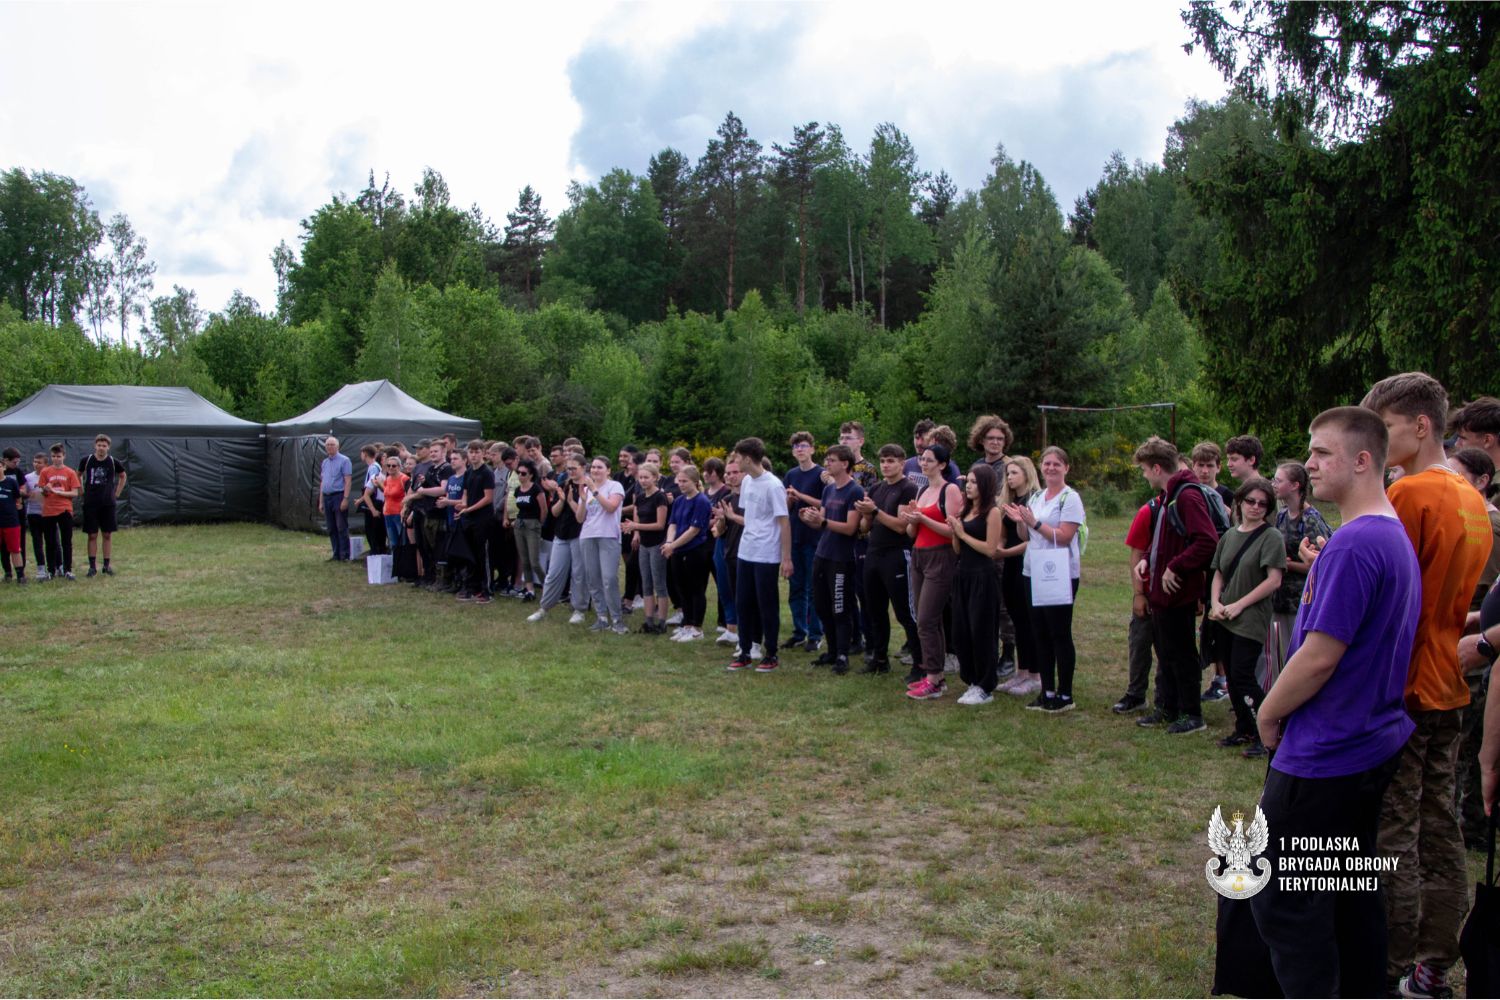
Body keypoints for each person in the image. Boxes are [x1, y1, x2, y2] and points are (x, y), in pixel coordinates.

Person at [1248, 406, 1419, 999]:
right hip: (1369, 744)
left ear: (1362, 461)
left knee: (1285, 901)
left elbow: (1321, 656)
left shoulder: (1355, 543)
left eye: (1322, 452)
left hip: (1327, 753)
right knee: (1346, 892)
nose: (1309, 463)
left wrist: (1268, 711)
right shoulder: (1388, 534)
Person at [1361, 373, 1492, 1000]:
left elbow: (1388, 592)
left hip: (1405, 682)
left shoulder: (1410, 493)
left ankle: (1387, 961)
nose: (1377, 442)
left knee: (1395, 830)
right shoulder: (1471, 497)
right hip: (1448, 680)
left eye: (1384, 428)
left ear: (1420, 425)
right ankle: (1436, 961)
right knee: (1440, 827)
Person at [1134, 437, 1219, 734]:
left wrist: (1175, 566)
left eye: (1145, 470)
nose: (1145, 475)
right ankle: (1167, 707)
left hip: (1178, 592)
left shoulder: (1187, 495)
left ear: (1157, 468)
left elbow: (1207, 540)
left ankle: (1191, 714)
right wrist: (1148, 559)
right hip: (1162, 593)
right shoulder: (1168, 495)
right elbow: (1166, 536)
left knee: (1182, 654)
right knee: (1166, 652)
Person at [1207, 477, 1286, 758]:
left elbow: (1274, 580)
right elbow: (1218, 572)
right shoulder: (1229, 535)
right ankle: (1244, 728)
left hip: (1250, 617)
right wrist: (1215, 602)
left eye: (1263, 504)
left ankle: (1268, 733)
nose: (1255, 507)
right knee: (1232, 674)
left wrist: (1239, 605)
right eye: (1250, 501)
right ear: (1239, 502)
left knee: (1243, 674)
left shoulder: (1271, 537)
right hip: (1225, 615)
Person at [1447, 446, 1500, 848]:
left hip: (1483, 650)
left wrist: (1483, 635)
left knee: (1471, 740)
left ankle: (1475, 824)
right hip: (1475, 632)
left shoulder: (1489, 524)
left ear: (1482, 481)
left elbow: (1481, 584)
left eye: (1458, 476)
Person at [1007, 446, 1086, 713]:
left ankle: (1065, 694)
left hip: (1059, 572)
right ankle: (1047, 690)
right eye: (1047, 463)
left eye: (1056, 464)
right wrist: (1021, 521)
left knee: (1058, 632)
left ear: (1066, 468)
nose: (1051, 468)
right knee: (1039, 631)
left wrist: (1035, 523)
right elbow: (1025, 536)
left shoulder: (1070, 498)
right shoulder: (1037, 496)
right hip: (1034, 570)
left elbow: (1064, 536)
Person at [726, 437, 792, 674]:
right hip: (746, 551)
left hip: (766, 554)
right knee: (743, 603)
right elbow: (750, 517)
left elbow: (784, 522)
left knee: (767, 605)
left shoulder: (773, 485)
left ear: (747, 459)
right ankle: (744, 652)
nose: (735, 462)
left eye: (737, 458)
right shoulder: (747, 482)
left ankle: (771, 654)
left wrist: (786, 558)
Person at [903, 444, 963, 701]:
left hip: (941, 556)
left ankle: (933, 677)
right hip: (919, 554)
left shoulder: (950, 490)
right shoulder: (922, 490)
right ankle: (935, 675)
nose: (923, 463)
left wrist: (923, 519)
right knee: (925, 618)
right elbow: (911, 532)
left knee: (927, 619)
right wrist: (911, 519)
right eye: (922, 459)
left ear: (942, 464)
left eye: (929, 460)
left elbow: (953, 530)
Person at [799, 445, 865, 674]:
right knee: (821, 605)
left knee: (840, 608)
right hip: (822, 554)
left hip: (841, 559)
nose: (826, 463)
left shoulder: (855, 491)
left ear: (845, 463)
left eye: (831, 460)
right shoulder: (828, 490)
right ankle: (832, 650)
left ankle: (843, 655)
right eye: (826, 459)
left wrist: (823, 522)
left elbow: (850, 528)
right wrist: (809, 518)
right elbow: (822, 523)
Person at [856, 444, 921, 677]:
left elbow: (901, 526)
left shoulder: (908, 487)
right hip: (873, 552)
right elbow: (864, 527)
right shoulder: (876, 488)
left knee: (905, 612)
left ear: (902, 463)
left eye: (891, 461)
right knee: (875, 609)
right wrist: (865, 514)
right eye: (883, 461)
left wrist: (874, 511)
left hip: (896, 554)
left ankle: (920, 664)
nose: (885, 465)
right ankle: (880, 659)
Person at [949, 463, 1005, 705]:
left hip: (983, 576)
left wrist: (963, 534)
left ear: (984, 485)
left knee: (981, 631)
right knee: (961, 631)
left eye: (973, 482)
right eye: (967, 482)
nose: (968, 486)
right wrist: (955, 532)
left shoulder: (992, 512)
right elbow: (957, 549)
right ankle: (972, 680)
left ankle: (985, 685)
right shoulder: (966, 510)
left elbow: (991, 550)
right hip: (963, 574)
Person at [969, 415, 1018, 678]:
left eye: (1000, 439)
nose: (996, 443)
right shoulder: (977, 466)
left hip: (1002, 538)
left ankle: (1008, 654)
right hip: (976, 538)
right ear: (981, 440)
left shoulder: (1009, 466)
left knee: (1003, 604)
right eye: (991, 438)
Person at [1270, 462, 1333, 662]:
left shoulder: (1310, 520)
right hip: (1280, 598)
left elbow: (1321, 565)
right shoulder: (1282, 515)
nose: (1273, 484)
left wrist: (1286, 564)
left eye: (1278, 480)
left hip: (1300, 601)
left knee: (1296, 655)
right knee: (1279, 655)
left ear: (1295, 485)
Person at [528, 457, 591, 624]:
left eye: (574, 468)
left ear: (583, 467)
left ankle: (579, 610)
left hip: (579, 535)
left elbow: (583, 516)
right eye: (568, 469)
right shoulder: (564, 485)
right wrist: (562, 500)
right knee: (553, 573)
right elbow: (554, 512)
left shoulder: (588, 487)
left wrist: (571, 501)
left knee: (578, 574)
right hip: (561, 534)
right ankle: (544, 607)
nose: (571, 472)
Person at [997, 457, 1041, 697]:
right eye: (1008, 473)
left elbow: (1033, 539)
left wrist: (1004, 552)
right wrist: (999, 547)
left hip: (1028, 563)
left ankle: (1036, 675)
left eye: (1014, 473)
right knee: (1017, 619)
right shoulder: (1009, 500)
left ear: (1026, 473)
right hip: (1010, 565)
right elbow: (1004, 533)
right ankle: (1021, 671)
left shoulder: (1034, 499)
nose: (1010, 477)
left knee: (1029, 620)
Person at [784, 431, 826, 652]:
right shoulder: (791, 474)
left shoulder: (821, 474)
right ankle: (799, 632)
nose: (799, 450)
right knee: (796, 587)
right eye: (795, 447)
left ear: (812, 449)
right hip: (795, 536)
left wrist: (800, 496)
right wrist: (791, 500)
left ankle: (816, 634)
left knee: (813, 588)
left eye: (803, 446)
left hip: (814, 538)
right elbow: (785, 508)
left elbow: (826, 503)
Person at [577, 455, 627, 634]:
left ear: (608, 470)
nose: (595, 470)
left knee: (609, 579)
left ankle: (617, 619)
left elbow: (611, 507)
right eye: (593, 467)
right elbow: (580, 518)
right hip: (588, 536)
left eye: (599, 467)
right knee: (593, 578)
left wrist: (595, 490)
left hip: (608, 536)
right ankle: (602, 617)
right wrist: (583, 499)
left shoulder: (615, 486)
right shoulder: (586, 489)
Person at [662, 465, 713, 642]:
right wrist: (669, 543)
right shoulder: (679, 500)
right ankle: (687, 624)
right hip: (677, 550)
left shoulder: (701, 501)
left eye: (685, 481)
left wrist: (673, 545)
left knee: (695, 589)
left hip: (695, 550)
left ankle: (696, 627)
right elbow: (673, 524)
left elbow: (694, 530)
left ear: (695, 482)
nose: (681, 484)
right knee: (682, 588)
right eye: (680, 481)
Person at [623, 462, 670, 633]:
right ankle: (649, 621)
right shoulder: (640, 497)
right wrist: (635, 531)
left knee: (659, 583)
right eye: (640, 477)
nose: (643, 480)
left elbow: (660, 525)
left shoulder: (660, 497)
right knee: (646, 584)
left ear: (655, 478)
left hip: (657, 544)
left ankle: (662, 622)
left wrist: (636, 526)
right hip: (644, 544)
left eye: (646, 477)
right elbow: (637, 517)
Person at [78, 434, 126, 577]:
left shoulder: (113, 462)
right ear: (95, 446)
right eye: (99, 445)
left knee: (107, 534)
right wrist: (81, 490)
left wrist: (117, 493)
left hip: (107, 503)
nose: (101, 448)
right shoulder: (87, 460)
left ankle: (106, 565)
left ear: (108, 447)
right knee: (92, 535)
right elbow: (78, 474)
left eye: (104, 446)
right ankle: (92, 567)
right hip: (91, 503)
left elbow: (123, 475)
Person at [38, 444, 81, 581]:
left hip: (64, 509)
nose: (56, 459)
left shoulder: (70, 472)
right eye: (54, 456)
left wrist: (59, 492)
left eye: (59, 456)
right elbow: (42, 492)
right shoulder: (45, 472)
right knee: (50, 542)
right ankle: (51, 571)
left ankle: (67, 570)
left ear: (64, 456)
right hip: (49, 510)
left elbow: (75, 493)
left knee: (66, 541)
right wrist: (46, 489)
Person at [510, 459, 546, 603]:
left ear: (531, 475)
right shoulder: (518, 490)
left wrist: (538, 524)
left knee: (534, 561)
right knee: (524, 560)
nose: (520, 475)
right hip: (520, 525)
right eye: (518, 472)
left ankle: (547, 588)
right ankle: (529, 590)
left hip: (532, 525)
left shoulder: (536, 489)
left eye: (523, 473)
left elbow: (544, 509)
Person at [317, 436, 353, 562]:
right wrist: (321, 501)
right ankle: (336, 554)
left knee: (341, 526)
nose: (329, 447)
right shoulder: (325, 462)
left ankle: (345, 555)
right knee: (331, 527)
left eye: (332, 444)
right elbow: (322, 482)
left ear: (338, 446)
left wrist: (345, 498)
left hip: (339, 496)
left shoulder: (345, 460)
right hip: (327, 496)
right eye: (327, 445)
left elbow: (348, 481)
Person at [0, 448, 25, 584]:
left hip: (11, 521)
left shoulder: (11, 482)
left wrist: (17, 507)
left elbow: (18, 498)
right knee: (2, 550)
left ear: (3, 467)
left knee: (15, 549)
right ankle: (7, 573)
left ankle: (20, 576)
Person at [357, 445, 388, 556]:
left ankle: (377, 553)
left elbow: (372, 489)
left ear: (365, 454)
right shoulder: (372, 467)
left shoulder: (374, 468)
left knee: (374, 531)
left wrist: (365, 502)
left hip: (376, 503)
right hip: (372, 500)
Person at [24, 453, 47, 580]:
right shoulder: (28, 477)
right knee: (37, 542)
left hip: (48, 513)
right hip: (33, 513)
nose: (36, 464)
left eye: (39, 462)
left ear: (45, 464)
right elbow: (23, 493)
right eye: (35, 462)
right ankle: (41, 568)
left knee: (53, 541)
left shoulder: (49, 475)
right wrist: (29, 495)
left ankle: (57, 566)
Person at [380, 454, 407, 553]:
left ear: (399, 467)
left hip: (399, 514)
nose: (391, 468)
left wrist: (404, 509)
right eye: (388, 465)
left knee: (402, 540)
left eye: (394, 466)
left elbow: (408, 495)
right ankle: (395, 560)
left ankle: (403, 559)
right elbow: (386, 494)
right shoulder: (387, 479)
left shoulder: (404, 479)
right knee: (392, 541)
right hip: (388, 514)